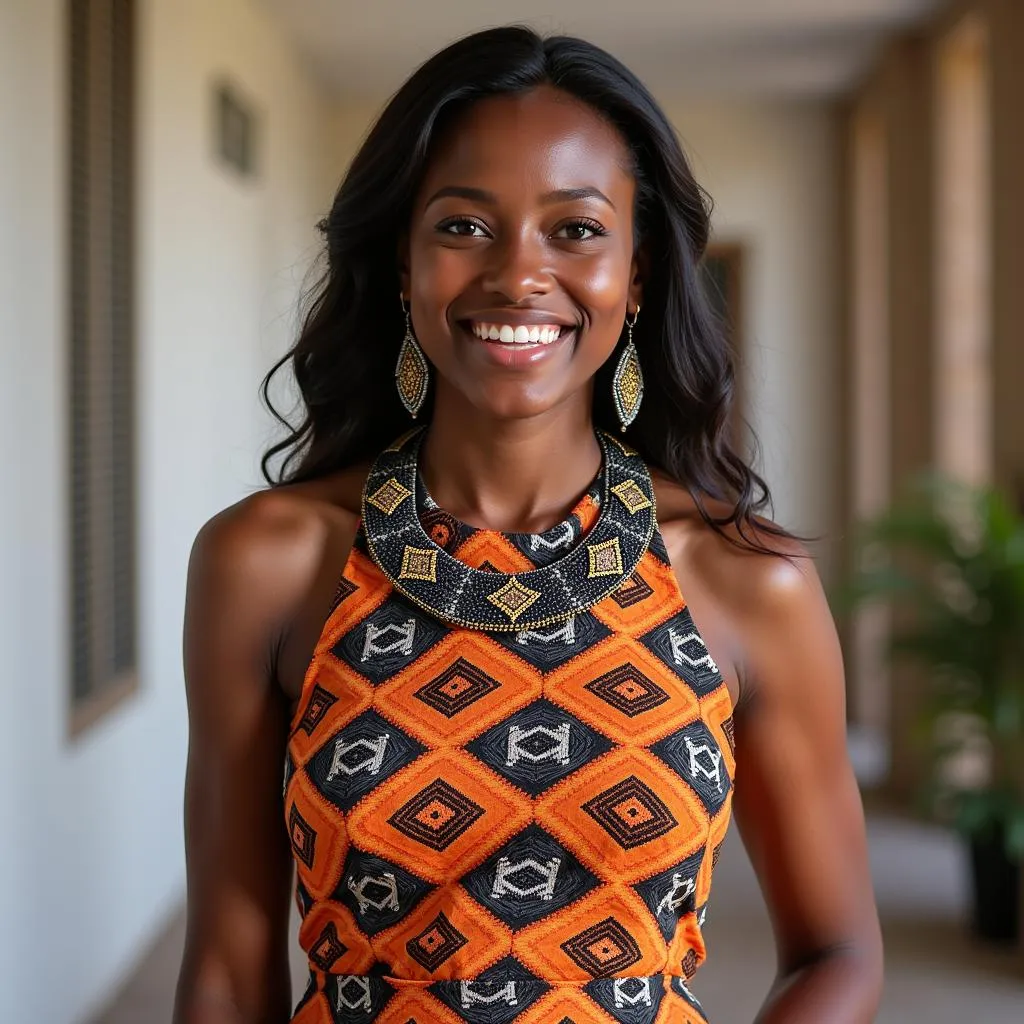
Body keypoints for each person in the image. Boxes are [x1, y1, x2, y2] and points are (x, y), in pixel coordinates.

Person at [174, 26, 883, 1024]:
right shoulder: (271, 560)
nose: (517, 275)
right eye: (463, 226)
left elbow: (837, 953)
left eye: (575, 229)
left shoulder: (741, 578)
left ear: (635, 275)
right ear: (404, 263)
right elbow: (222, 962)